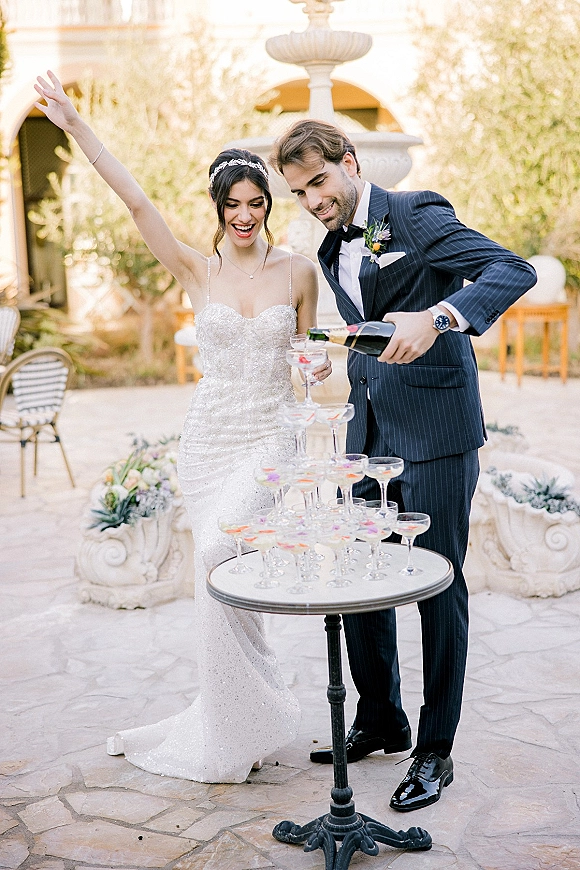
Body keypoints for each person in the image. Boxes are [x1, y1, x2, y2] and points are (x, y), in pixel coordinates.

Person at [34, 71, 332, 784]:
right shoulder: (195, 270)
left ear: (268, 206)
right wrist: (75, 126)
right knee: (220, 575)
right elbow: (134, 200)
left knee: (216, 557)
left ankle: (244, 717)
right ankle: (245, 717)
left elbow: (306, 353)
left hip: (268, 435)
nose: (245, 215)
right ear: (218, 207)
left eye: (256, 204)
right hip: (209, 442)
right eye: (233, 204)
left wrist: (315, 368)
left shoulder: (298, 272)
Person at [271, 119, 537, 811]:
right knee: (364, 573)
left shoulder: (416, 213)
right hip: (369, 431)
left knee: (437, 583)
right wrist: (339, 349)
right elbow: (377, 327)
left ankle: (435, 750)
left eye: (319, 183)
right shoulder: (331, 248)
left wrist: (442, 315)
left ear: (349, 163)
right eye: (299, 192)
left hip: (440, 431)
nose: (313, 202)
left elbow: (512, 269)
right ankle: (381, 716)